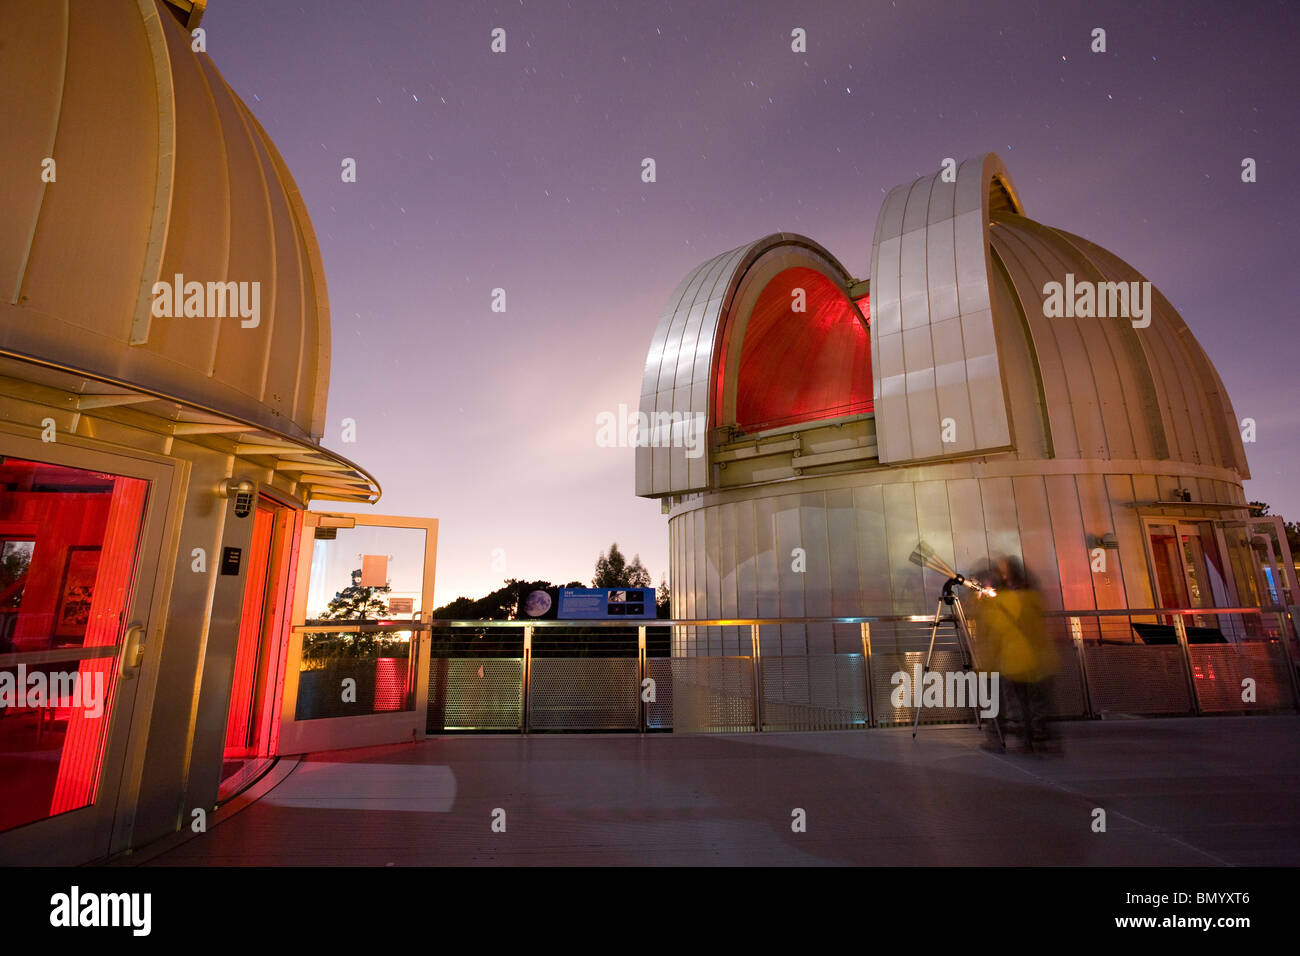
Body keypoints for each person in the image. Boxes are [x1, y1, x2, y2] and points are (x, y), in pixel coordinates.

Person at [971, 556, 1059, 753]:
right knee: (1029, 702)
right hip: (1029, 658)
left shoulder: (1003, 601)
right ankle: (1033, 737)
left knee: (1010, 702)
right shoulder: (1030, 597)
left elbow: (996, 628)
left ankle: (1016, 737)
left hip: (1008, 659)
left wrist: (984, 603)